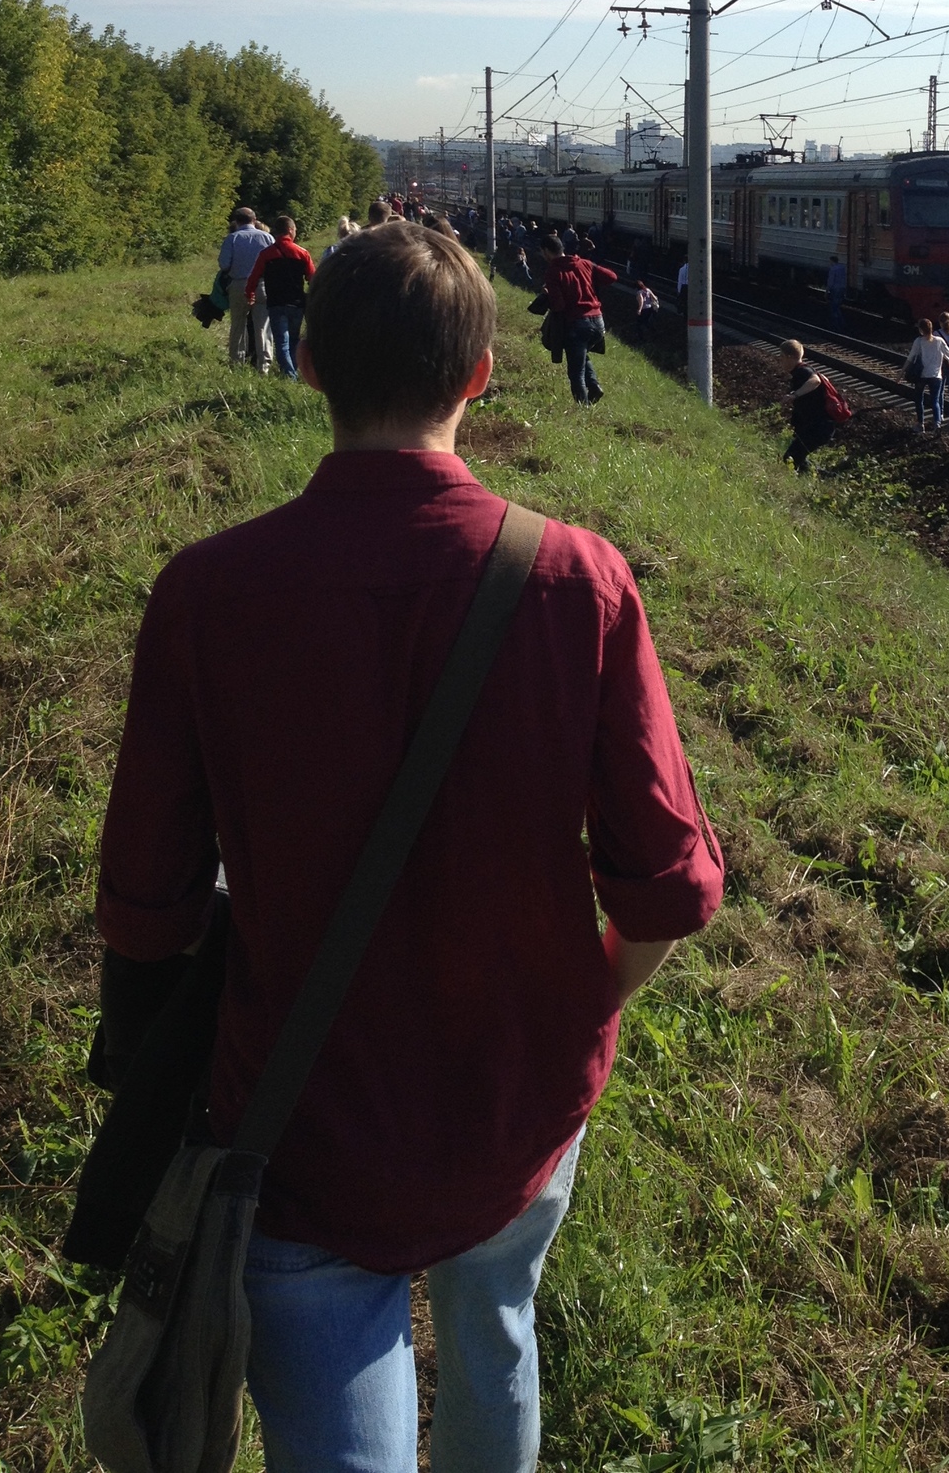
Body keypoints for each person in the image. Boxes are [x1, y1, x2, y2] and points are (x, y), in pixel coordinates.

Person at [93, 222, 723, 1472]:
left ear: (312, 367)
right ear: (482, 374)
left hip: (298, 1122)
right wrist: (583, 1001)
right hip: (518, 1103)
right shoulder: (578, 580)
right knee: (496, 1326)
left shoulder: (206, 592)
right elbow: (666, 885)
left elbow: (147, 908)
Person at [541, 232, 618, 405]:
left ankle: (583, 411)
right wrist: (590, 271)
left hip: (577, 324)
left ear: (546, 251)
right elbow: (611, 277)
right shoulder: (584, 263)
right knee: (581, 355)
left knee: (575, 372)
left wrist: (548, 296)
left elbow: (559, 306)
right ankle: (594, 385)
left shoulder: (553, 271)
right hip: (598, 322)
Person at [244, 216, 317, 381]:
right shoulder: (302, 253)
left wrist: (250, 294)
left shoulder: (266, 254)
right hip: (297, 303)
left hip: (276, 303)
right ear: (290, 230)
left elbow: (253, 278)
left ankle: (289, 374)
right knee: (294, 340)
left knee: (281, 341)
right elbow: (313, 278)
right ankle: (291, 373)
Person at [219, 206, 275, 372]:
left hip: (238, 284)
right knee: (262, 327)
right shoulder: (267, 238)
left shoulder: (232, 239)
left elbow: (224, 265)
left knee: (238, 325)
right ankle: (264, 366)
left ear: (236, 221)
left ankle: (236, 364)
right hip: (262, 284)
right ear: (254, 219)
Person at [779, 338, 834, 473]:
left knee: (790, 458)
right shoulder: (800, 372)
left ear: (789, 357)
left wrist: (794, 395)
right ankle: (825, 477)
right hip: (817, 426)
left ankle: (825, 477)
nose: (780, 360)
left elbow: (815, 381)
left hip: (819, 427)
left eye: (781, 357)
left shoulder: (803, 371)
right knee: (800, 461)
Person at [902, 318, 949, 435]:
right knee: (935, 401)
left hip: (921, 375)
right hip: (936, 376)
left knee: (919, 399)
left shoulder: (919, 341)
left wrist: (900, 374)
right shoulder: (939, 341)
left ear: (921, 330)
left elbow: (910, 359)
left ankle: (920, 424)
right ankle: (937, 424)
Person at [825, 256, 847, 329]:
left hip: (835, 289)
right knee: (837, 306)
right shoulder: (842, 268)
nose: (829, 263)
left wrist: (827, 291)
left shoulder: (833, 269)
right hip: (842, 288)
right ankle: (842, 323)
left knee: (834, 307)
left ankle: (836, 325)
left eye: (830, 261)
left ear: (832, 261)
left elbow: (830, 282)